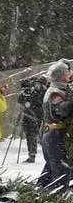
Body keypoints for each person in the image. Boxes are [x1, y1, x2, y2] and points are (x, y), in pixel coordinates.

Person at [40, 60, 73, 190]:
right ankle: (56, 198)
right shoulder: (56, 91)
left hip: (53, 134)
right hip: (55, 135)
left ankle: (41, 191)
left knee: (51, 167)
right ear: (61, 75)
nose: (69, 74)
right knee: (60, 168)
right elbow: (60, 111)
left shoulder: (58, 88)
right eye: (67, 72)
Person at [17, 73, 48, 164]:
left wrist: (31, 103)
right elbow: (20, 100)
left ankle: (32, 154)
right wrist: (24, 96)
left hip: (36, 117)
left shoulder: (44, 92)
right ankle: (30, 153)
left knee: (33, 136)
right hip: (27, 116)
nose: (36, 85)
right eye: (35, 84)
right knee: (28, 136)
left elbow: (40, 103)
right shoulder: (31, 91)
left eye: (37, 84)